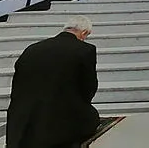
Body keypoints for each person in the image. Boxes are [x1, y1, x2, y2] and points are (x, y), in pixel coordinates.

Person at [6, 15, 99, 148]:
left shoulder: (32, 48)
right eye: (86, 36)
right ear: (84, 32)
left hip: (22, 123)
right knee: (91, 118)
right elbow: (89, 88)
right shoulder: (85, 50)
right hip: (58, 125)